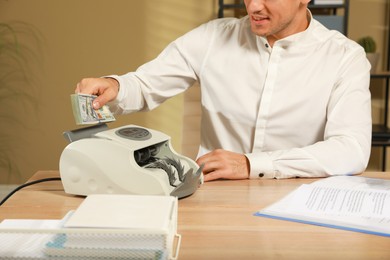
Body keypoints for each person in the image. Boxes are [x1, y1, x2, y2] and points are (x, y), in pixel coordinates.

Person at [75, 0, 372, 182]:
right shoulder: (212, 37)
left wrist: (249, 164)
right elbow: (143, 84)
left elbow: (351, 149)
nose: (254, 6)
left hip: (299, 201)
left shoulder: (345, 57)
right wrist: (114, 85)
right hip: (214, 196)